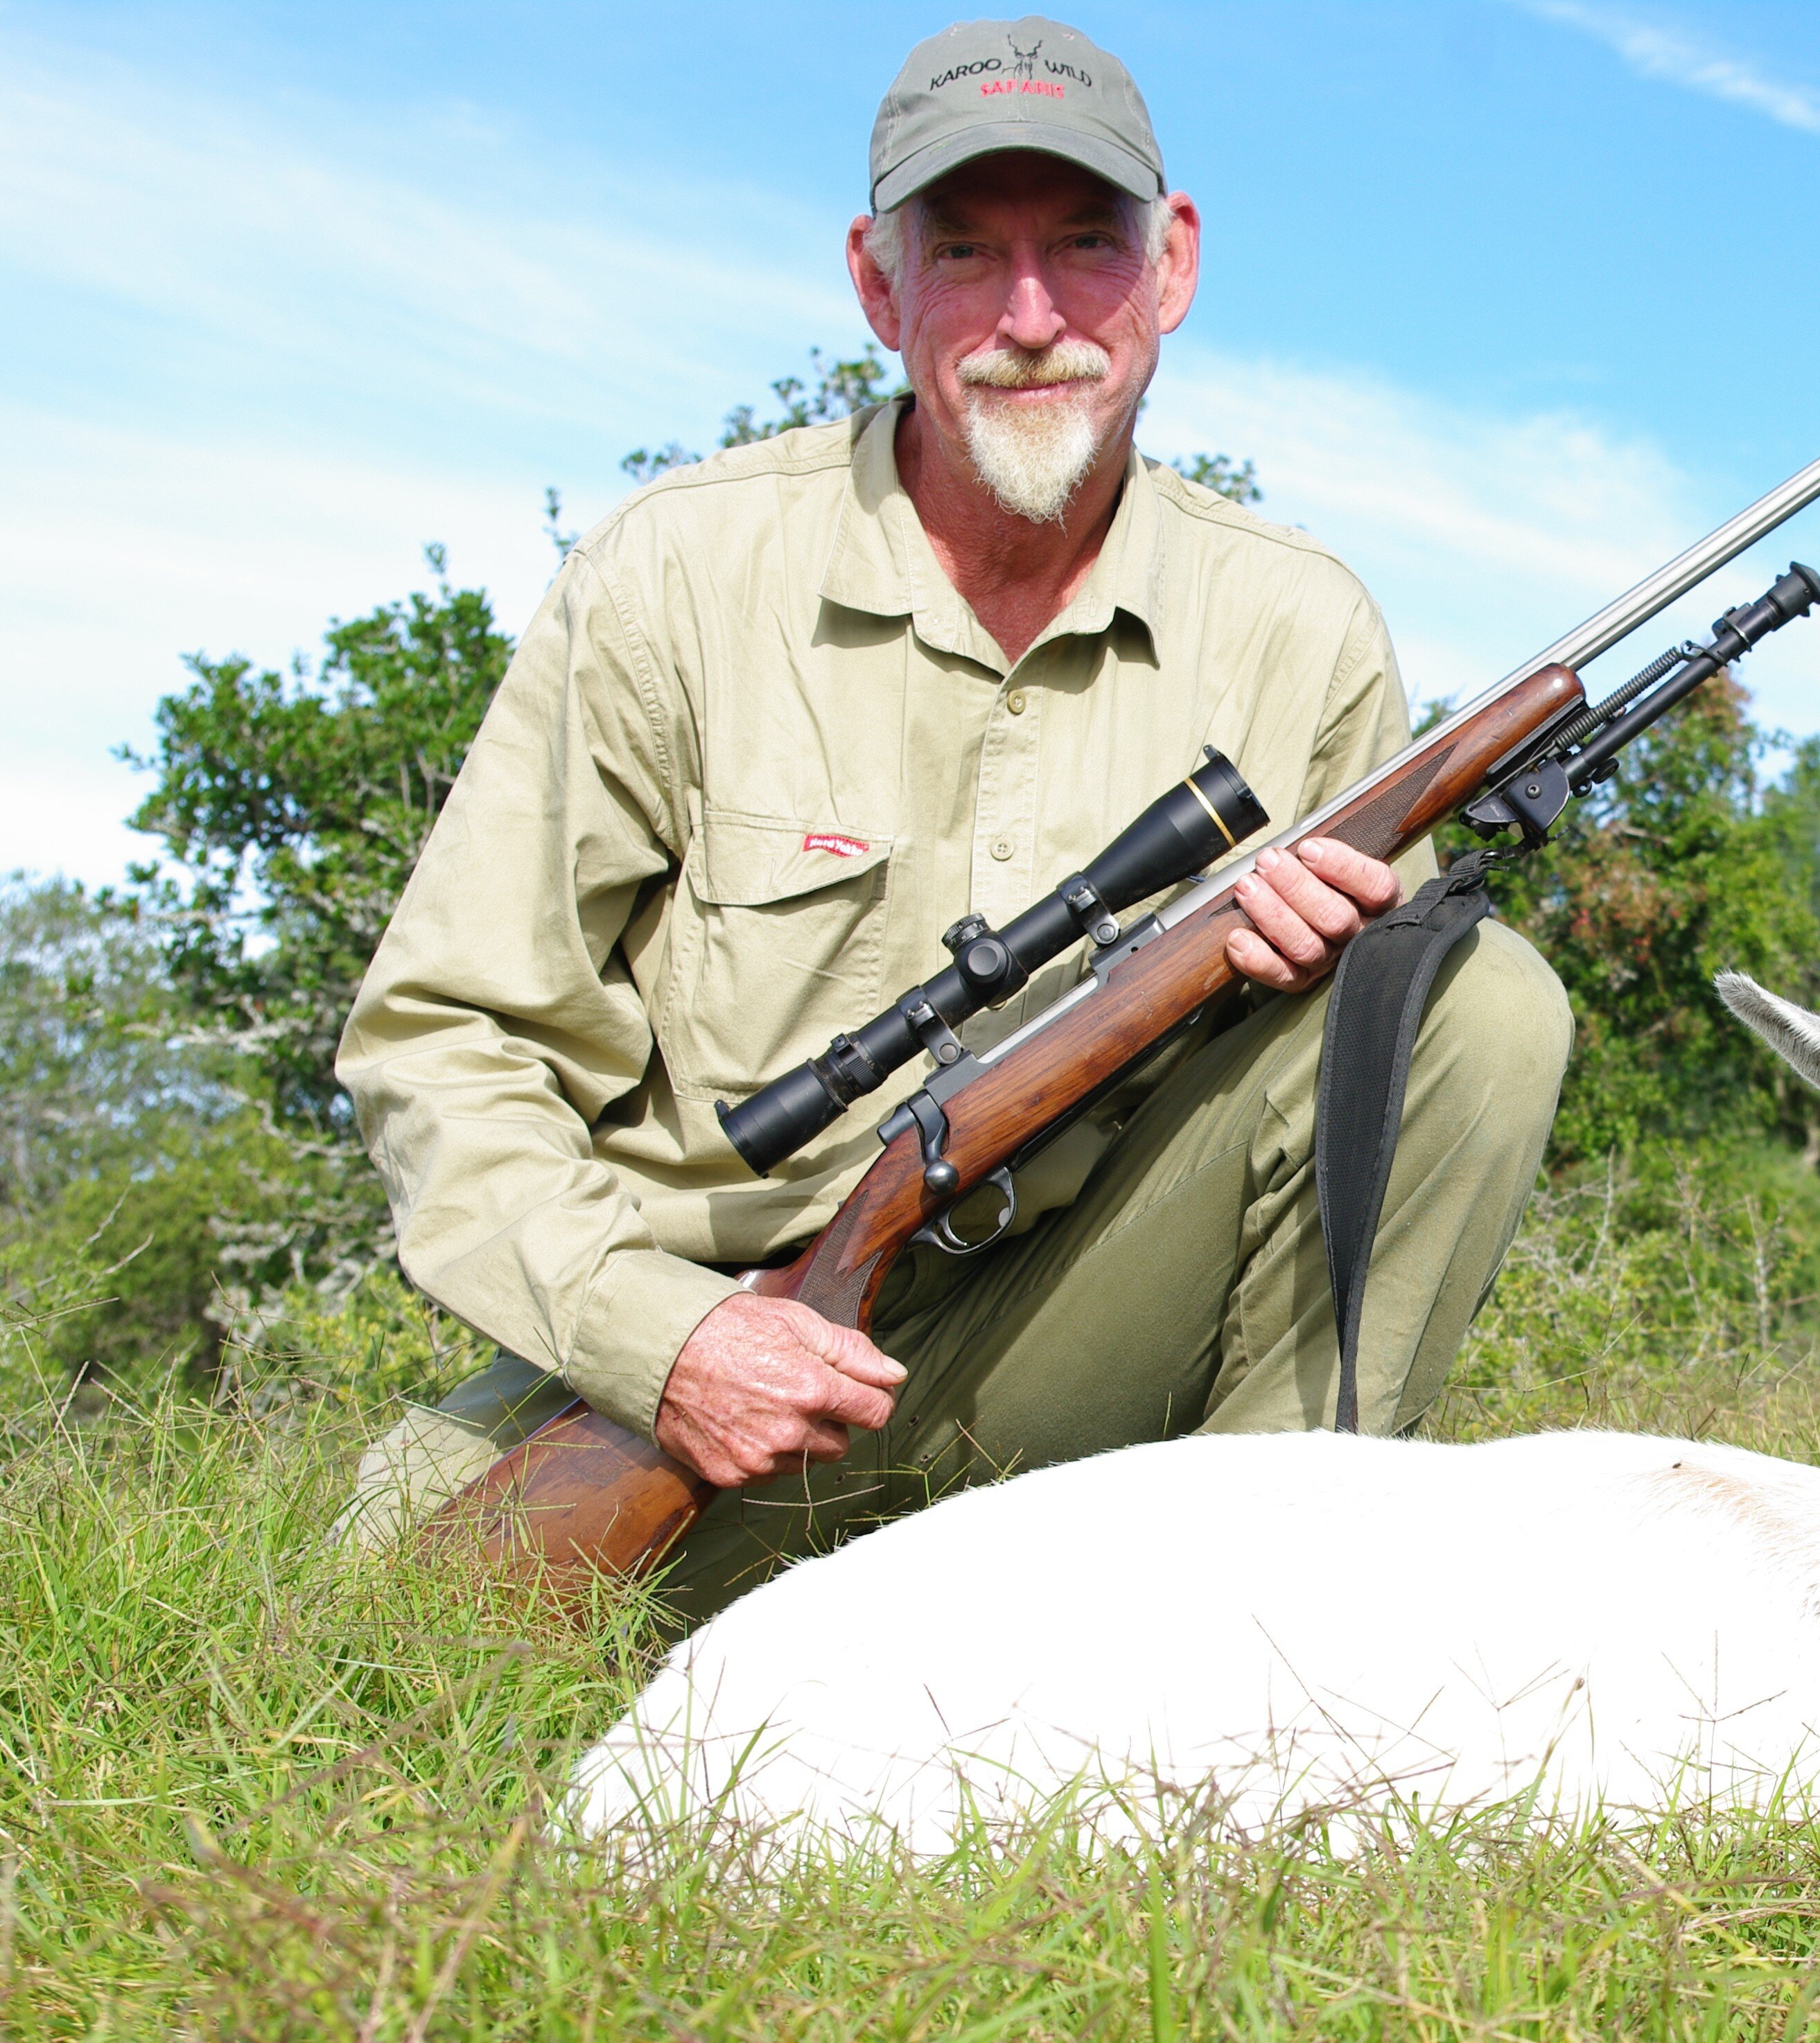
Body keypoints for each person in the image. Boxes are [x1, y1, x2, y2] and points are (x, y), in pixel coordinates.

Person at [333, 15, 1570, 1625]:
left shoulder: (1301, 626)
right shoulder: (675, 571)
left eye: (1084, 246)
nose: (1033, 317)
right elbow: (445, 1038)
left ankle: (1249, 1645)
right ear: (874, 281)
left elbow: (1346, 1086)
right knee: (367, 1644)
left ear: (1173, 264)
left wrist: (1302, 970)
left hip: (1079, 1320)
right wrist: (671, 1339)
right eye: (967, 253)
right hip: (718, 1349)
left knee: (1462, 1000)